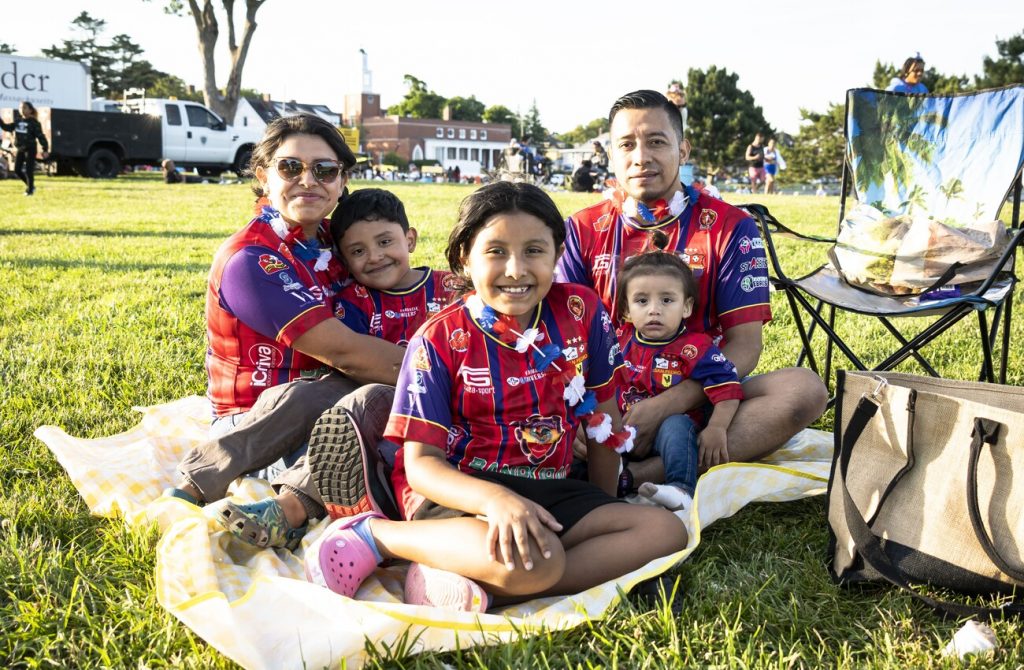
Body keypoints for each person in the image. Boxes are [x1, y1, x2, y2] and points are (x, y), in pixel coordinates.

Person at [304, 182, 687, 612]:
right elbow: (423, 467)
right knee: (534, 564)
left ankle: (457, 575)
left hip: (553, 488)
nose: (516, 269)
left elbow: (604, 421)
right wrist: (496, 500)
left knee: (665, 532)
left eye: (534, 251)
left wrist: (602, 509)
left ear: (558, 254)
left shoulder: (583, 311)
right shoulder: (439, 338)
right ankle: (377, 537)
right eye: (496, 251)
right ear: (465, 256)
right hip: (462, 493)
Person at [556, 89, 827, 487]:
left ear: (683, 151)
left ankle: (638, 476)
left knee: (804, 390)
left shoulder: (732, 227)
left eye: (656, 142)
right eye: (626, 145)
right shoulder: (581, 228)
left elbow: (745, 347)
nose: (641, 157)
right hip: (600, 401)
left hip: (697, 398)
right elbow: (563, 335)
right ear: (611, 156)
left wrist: (665, 406)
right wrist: (581, 409)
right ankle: (602, 463)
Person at [166, 114, 406, 550]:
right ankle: (222, 486)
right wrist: (447, 378)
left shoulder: (338, 241)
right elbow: (347, 353)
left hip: (334, 397)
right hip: (263, 428)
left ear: (341, 180)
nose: (307, 181)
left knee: (376, 413)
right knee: (378, 430)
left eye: (325, 170)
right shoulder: (252, 259)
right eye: (290, 167)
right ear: (263, 176)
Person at [615, 249, 742, 512]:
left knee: (675, 425)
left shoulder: (695, 347)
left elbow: (728, 387)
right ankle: (609, 479)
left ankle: (681, 490)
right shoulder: (618, 342)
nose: (654, 310)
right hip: (624, 427)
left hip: (670, 435)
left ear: (686, 307)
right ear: (626, 310)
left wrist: (717, 428)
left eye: (666, 300)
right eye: (641, 301)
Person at [0, 101, 49, 196]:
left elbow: (40, 136)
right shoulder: (18, 121)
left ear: (30, 110)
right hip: (21, 149)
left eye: (25, 108)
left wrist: (45, 149)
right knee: (17, 170)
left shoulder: (34, 123)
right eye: (21, 108)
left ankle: (30, 191)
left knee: (29, 170)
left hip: (30, 148)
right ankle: (31, 186)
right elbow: (7, 127)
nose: (22, 110)